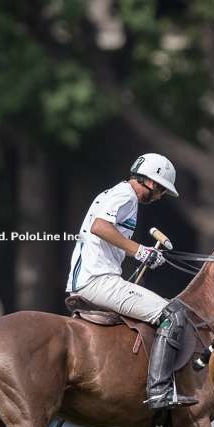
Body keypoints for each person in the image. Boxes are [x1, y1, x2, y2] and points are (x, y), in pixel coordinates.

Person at [66, 153, 198, 410]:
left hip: (95, 277)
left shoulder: (115, 194)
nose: (159, 197)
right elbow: (100, 227)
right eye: (161, 191)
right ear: (152, 182)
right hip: (97, 280)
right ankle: (159, 390)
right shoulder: (125, 195)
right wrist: (139, 250)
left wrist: (143, 255)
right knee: (174, 313)